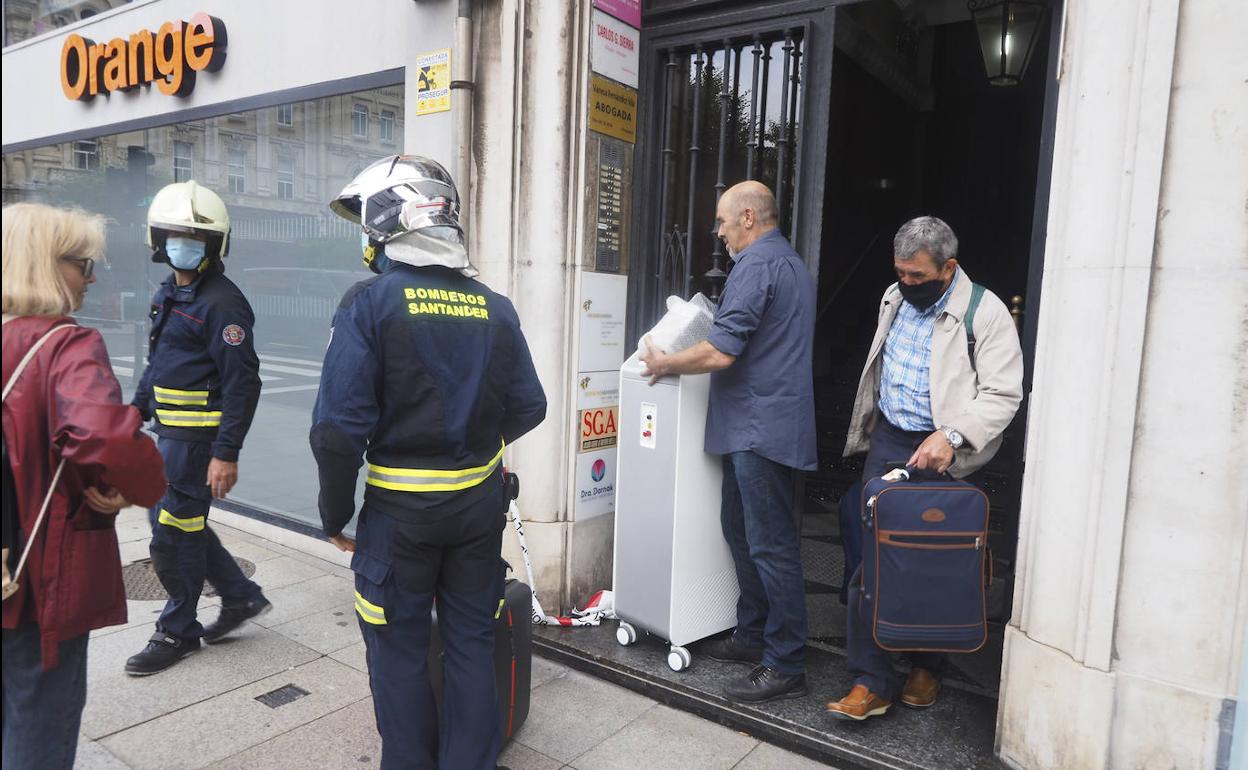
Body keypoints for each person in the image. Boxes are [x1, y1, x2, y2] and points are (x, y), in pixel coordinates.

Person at [311, 155, 546, 770]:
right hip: (476, 511)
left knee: (399, 655)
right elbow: (531, 405)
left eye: (367, 227)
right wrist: (471, 444)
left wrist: (335, 514)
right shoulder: (495, 307)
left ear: (392, 222)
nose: (364, 241)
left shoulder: (370, 304)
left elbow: (337, 432)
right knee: (471, 644)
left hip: (400, 521)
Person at [826, 215, 1024, 721]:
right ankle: (872, 679)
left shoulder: (987, 312)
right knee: (872, 559)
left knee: (933, 562)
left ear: (948, 267)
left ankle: (926, 666)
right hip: (890, 441)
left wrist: (952, 436)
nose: (906, 283)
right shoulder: (893, 297)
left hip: (946, 452)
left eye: (917, 275)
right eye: (901, 272)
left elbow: (1003, 394)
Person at [2, 203, 166, 770]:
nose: (91, 277)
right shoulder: (62, 345)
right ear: (45, 265)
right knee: (38, 717)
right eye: (82, 263)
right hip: (31, 574)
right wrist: (135, 485)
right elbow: (106, 437)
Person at [639, 180, 817, 703]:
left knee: (770, 545)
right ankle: (754, 632)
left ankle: (785, 663)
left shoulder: (758, 265)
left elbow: (722, 350)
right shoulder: (790, 265)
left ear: (746, 217)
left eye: (720, 221)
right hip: (758, 427)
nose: (717, 233)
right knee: (741, 531)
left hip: (758, 430)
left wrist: (663, 362)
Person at [124, 181, 270, 676]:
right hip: (169, 439)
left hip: (196, 444)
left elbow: (243, 383)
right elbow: (159, 362)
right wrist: (136, 410)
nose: (181, 245)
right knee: (178, 525)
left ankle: (177, 631)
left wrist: (226, 453)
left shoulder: (223, 305)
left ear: (215, 245)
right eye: (172, 236)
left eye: (193, 237)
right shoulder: (170, 292)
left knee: (172, 536)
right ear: (157, 240)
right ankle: (240, 595)